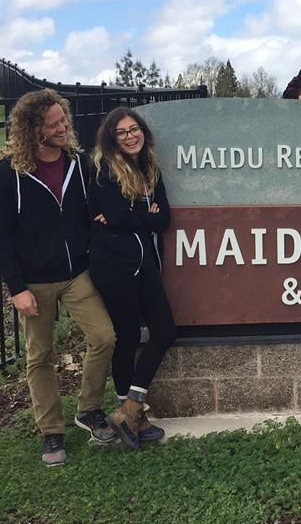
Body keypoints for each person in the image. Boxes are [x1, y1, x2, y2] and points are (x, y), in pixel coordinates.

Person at [0, 89, 116, 466]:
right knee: (40, 356)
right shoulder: (10, 173)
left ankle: (89, 409)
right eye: (55, 123)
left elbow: (91, 207)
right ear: (34, 129)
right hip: (34, 281)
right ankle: (51, 432)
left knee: (104, 337)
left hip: (76, 273)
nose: (64, 128)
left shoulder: (76, 162)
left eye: (64, 121)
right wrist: (17, 288)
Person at [89, 107, 176, 448]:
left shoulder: (150, 169)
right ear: (112, 139)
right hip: (114, 267)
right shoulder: (103, 170)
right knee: (126, 337)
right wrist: (140, 214)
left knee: (165, 330)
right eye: (122, 132)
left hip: (146, 264)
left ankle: (130, 408)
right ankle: (134, 415)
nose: (130, 136)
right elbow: (116, 216)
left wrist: (132, 215)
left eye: (134, 129)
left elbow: (163, 219)